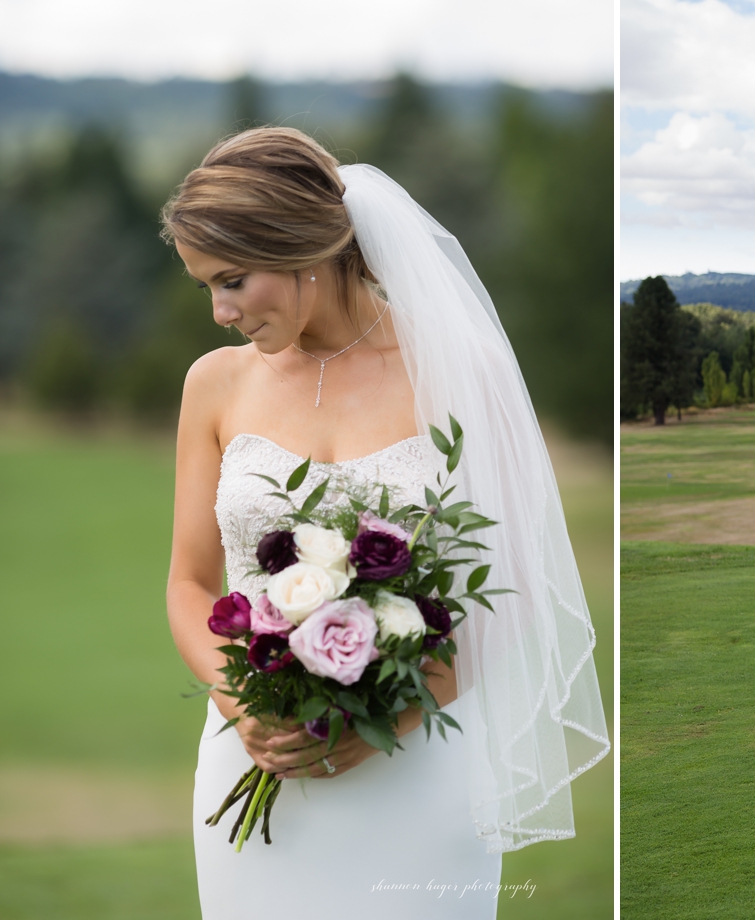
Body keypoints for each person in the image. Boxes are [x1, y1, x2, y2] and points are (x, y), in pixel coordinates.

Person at [161, 127, 608, 916]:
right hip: (254, 761)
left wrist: (373, 726)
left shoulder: (460, 369)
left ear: (300, 245)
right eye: (205, 287)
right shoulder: (214, 385)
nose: (220, 313)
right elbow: (191, 582)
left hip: (421, 766)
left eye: (231, 280)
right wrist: (250, 714)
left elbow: (515, 589)